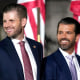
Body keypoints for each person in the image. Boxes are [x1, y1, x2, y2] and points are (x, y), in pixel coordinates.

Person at [0, 3, 43, 80]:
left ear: (23, 22)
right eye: (4, 21)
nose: (6, 25)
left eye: (11, 21)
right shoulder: (1, 49)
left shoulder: (37, 46)